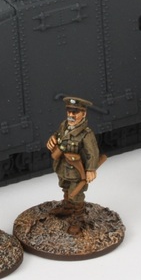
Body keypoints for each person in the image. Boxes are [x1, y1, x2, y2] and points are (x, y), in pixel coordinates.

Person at [46, 96, 100, 235]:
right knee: (65, 187)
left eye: (75, 112)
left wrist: (91, 169)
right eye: (69, 111)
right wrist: (52, 138)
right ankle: (67, 207)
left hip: (76, 171)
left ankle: (77, 218)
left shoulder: (86, 134)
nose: (71, 115)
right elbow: (58, 135)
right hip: (62, 167)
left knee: (76, 195)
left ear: (84, 114)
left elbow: (93, 153)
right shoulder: (64, 125)